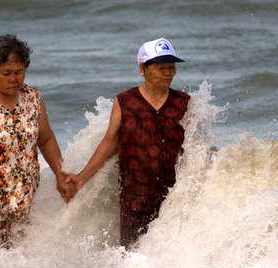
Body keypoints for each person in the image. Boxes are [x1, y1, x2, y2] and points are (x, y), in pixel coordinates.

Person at [0, 34, 75, 254]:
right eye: (6, 73)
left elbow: (46, 139)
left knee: (22, 267)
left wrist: (60, 174)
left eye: (19, 72)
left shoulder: (33, 98)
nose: (14, 79)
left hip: (25, 199)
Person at [67, 38, 190, 249]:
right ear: (143, 68)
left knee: (172, 253)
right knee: (132, 256)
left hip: (175, 197)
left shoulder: (184, 102)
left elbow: (195, 147)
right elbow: (109, 143)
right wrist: (81, 178)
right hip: (135, 196)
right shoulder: (125, 101)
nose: (168, 73)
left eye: (171, 67)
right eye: (161, 68)